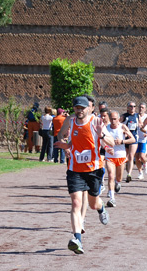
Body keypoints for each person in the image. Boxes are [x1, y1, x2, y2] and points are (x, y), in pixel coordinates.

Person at [55, 96, 115, 255]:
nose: (79, 110)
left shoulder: (96, 122)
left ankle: (102, 208)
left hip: (94, 170)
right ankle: (77, 239)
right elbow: (61, 135)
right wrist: (66, 146)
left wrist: (102, 135)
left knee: (93, 203)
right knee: (76, 203)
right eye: (77, 108)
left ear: (89, 108)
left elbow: (112, 143)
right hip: (75, 169)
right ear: (74, 108)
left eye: (82, 108)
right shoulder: (70, 120)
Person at [104, 110, 135, 207]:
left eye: (115, 119)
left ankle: (118, 183)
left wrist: (122, 141)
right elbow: (101, 140)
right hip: (110, 156)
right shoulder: (106, 128)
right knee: (110, 175)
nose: (113, 121)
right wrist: (107, 147)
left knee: (118, 177)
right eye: (111, 119)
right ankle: (112, 198)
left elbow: (133, 139)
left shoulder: (122, 127)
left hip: (121, 156)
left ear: (118, 119)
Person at [120, 102, 139, 182]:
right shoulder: (124, 116)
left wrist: (145, 131)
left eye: (134, 106)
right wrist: (124, 132)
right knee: (125, 157)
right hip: (125, 139)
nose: (132, 108)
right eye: (131, 106)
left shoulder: (137, 116)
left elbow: (140, 125)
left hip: (134, 138)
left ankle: (129, 174)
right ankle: (123, 172)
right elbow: (119, 126)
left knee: (131, 156)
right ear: (127, 107)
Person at [134, 102, 147, 180]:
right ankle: (140, 172)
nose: (141, 109)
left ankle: (145, 163)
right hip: (136, 139)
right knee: (136, 157)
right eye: (140, 107)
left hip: (143, 140)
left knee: (142, 156)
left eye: (143, 107)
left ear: (145, 109)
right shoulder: (135, 116)